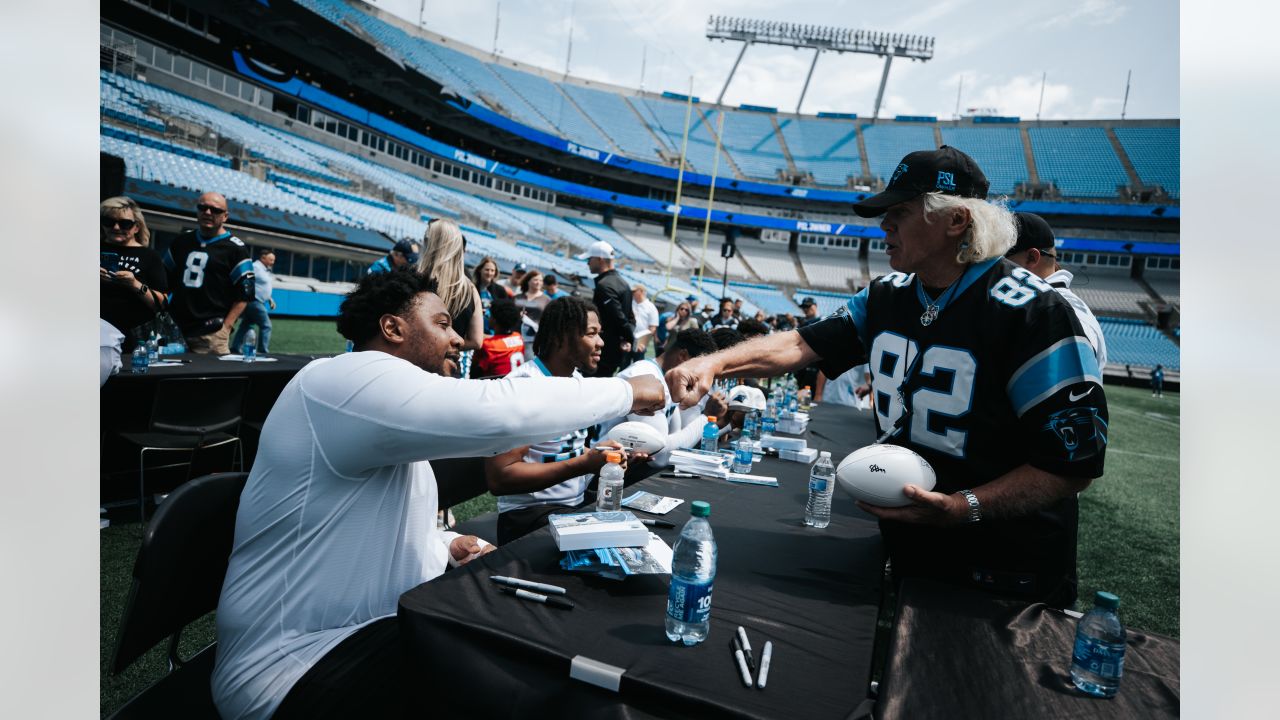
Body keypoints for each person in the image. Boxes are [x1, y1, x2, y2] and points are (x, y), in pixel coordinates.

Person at [666, 146, 1108, 609]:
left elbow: (1070, 464)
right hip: (915, 542)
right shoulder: (887, 296)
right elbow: (801, 344)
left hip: (1007, 564)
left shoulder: (1035, 312)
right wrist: (715, 363)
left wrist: (964, 507)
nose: (884, 225)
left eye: (899, 212)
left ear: (956, 220)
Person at [211, 268, 664, 720]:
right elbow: (501, 414)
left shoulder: (381, 418)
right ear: (392, 328)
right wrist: (627, 391)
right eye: (443, 324)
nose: (460, 341)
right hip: (290, 668)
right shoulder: (340, 379)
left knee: (539, 662)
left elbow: (386, 519)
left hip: (374, 633)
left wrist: (446, 543)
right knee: (526, 687)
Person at [486, 297, 638, 543]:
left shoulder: (575, 380)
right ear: (561, 337)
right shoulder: (524, 387)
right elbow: (500, 478)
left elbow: (564, 449)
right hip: (529, 517)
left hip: (570, 508)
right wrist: (584, 464)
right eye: (591, 334)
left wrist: (602, 455)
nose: (601, 343)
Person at [598, 328, 724, 468]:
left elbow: (676, 437)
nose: (702, 378)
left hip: (626, 469)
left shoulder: (667, 379)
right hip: (602, 472)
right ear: (683, 356)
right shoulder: (644, 376)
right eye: (701, 370)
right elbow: (660, 456)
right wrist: (707, 417)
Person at [1005, 212, 1107, 368]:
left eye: (1001, 258)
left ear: (1032, 258)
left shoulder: (1064, 313)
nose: (994, 267)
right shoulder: (1052, 304)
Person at [163, 191, 254, 354]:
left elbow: (245, 294)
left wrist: (225, 328)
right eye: (203, 207)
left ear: (225, 216)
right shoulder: (181, 242)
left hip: (211, 333)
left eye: (215, 210)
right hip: (175, 330)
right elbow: (163, 280)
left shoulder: (235, 249)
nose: (208, 212)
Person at [100, 196, 167, 353]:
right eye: (109, 222)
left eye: (125, 223)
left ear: (136, 227)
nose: (116, 227)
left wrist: (135, 284)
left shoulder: (149, 256)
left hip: (134, 340)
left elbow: (162, 304)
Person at [417, 219, 483, 356]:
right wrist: (449, 347)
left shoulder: (413, 279)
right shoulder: (470, 288)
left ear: (430, 244)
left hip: (416, 364)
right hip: (450, 369)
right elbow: (476, 341)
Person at [581, 240, 634, 377]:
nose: (588, 263)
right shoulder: (624, 283)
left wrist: (629, 338)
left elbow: (619, 318)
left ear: (599, 260)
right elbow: (630, 318)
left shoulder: (605, 285)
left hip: (603, 351)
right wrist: (626, 338)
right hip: (613, 350)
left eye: (589, 259)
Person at [231, 249, 277, 354]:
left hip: (257, 301)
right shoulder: (255, 267)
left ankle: (235, 348)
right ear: (263, 257)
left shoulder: (265, 270)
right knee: (266, 325)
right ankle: (263, 351)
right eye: (270, 259)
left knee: (245, 325)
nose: (272, 262)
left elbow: (262, 286)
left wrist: (270, 299)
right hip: (254, 301)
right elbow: (245, 281)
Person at [472, 299, 525, 377]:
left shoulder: (488, 345)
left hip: (496, 385)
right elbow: (500, 339)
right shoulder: (518, 337)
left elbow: (475, 371)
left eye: (491, 315)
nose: (489, 317)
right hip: (516, 382)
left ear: (495, 320)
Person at [472, 256, 512, 334]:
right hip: (474, 329)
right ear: (480, 270)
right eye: (487, 270)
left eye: (492, 270)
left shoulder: (500, 290)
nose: (489, 273)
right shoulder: (472, 288)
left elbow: (506, 312)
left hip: (493, 332)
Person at [515, 269, 550, 344]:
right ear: (528, 281)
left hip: (534, 339)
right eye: (536, 280)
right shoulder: (518, 297)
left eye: (541, 280)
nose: (538, 283)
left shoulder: (547, 300)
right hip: (515, 336)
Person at [631, 285, 659, 361]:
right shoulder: (630, 303)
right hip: (629, 340)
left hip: (641, 343)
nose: (632, 293)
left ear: (641, 291)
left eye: (634, 291)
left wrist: (642, 342)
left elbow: (652, 328)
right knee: (623, 365)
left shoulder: (651, 307)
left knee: (637, 366)